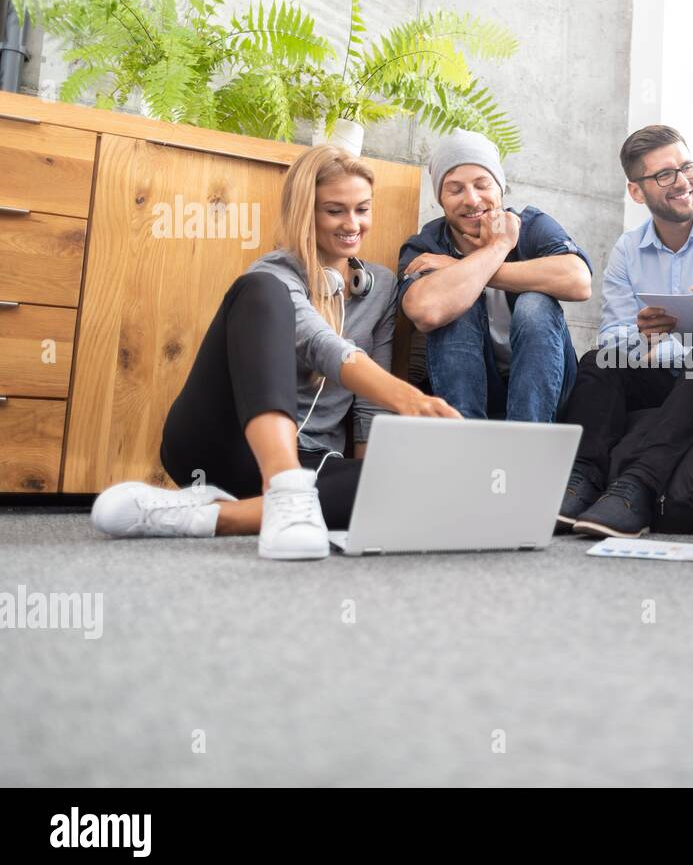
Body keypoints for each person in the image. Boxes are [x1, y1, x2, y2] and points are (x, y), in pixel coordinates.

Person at [91, 145, 461, 560]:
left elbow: (365, 411)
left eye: (362, 209)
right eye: (335, 211)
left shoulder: (380, 286)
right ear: (305, 213)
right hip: (222, 447)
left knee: (425, 485)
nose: (352, 224)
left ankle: (211, 516)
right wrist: (409, 398)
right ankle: (283, 482)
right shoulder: (272, 274)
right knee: (258, 293)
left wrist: (367, 479)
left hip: (315, 464)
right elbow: (321, 346)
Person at [558, 124, 693, 538]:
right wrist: (645, 338)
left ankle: (637, 487)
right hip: (655, 370)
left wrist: (668, 346)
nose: (682, 181)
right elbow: (613, 336)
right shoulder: (627, 250)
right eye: (665, 174)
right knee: (598, 361)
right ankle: (581, 478)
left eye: (687, 167)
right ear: (637, 192)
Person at [399, 129, 592, 421]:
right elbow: (426, 311)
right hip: (474, 391)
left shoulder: (531, 226)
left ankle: (528, 441)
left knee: (534, 303)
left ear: (500, 188)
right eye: (455, 189)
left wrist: (463, 265)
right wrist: (494, 251)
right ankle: (464, 438)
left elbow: (579, 282)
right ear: (440, 197)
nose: (472, 199)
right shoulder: (427, 244)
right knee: (454, 302)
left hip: (549, 389)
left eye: (482, 185)